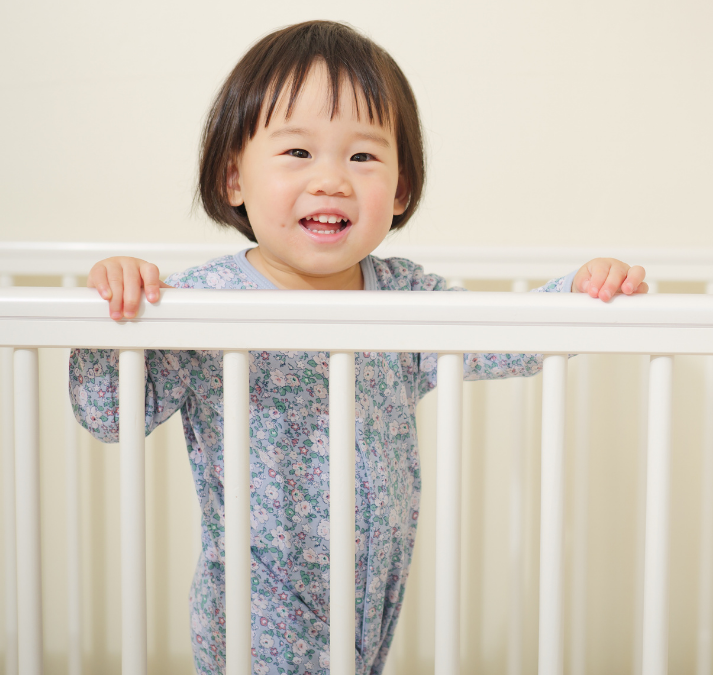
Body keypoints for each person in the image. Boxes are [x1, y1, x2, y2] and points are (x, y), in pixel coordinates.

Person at [70, 20, 647, 675]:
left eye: (363, 156)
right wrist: (113, 317)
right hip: (255, 616)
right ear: (234, 178)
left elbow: (504, 335)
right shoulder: (201, 304)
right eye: (297, 153)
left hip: (369, 605)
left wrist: (577, 292)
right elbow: (109, 413)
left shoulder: (404, 300)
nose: (333, 179)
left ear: (399, 191)